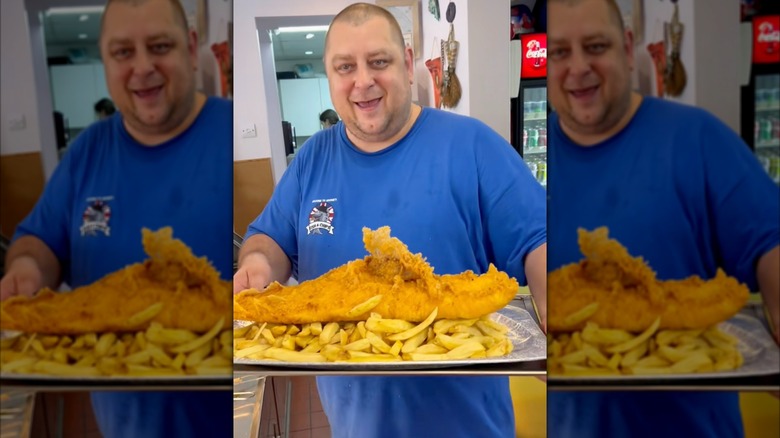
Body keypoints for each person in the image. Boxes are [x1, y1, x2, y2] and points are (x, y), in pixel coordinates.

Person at [233, 3, 547, 438]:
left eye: (378, 61)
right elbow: (270, 238)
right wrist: (257, 264)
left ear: (407, 61)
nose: (363, 81)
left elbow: (539, 237)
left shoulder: (473, 144)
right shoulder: (310, 160)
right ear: (330, 76)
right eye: (345, 67)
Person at [545, 0, 780, 437]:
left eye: (595, 46)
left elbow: (771, 242)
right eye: (559, 52)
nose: (578, 68)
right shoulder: (535, 165)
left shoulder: (698, 138)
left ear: (626, 47)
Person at [0, 0, 232, 437]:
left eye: (159, 46)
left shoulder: (229, 131)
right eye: (123, 52)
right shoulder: (86, 152)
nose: (142, 67)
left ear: (190, 47)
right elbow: (39, 241)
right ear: (106, 62)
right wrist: (27, 268)